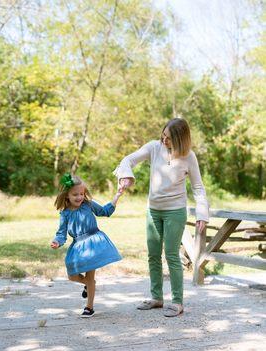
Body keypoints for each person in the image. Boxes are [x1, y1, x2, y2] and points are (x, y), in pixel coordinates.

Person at [114, 117, 209, 317]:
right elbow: (128, 160)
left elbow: (198, 187)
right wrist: (126, 175)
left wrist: (202, 213)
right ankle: (156, 297)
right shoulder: (154, 147)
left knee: (172, 254)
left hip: (175, 211)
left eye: (169, 138)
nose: (163, 140)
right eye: (163, 135)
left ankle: (177, 301)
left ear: (181, 139)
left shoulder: (189, 157)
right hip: (153, 210)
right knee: (153, 255)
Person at [51, 173, 123, 318]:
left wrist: (117, 196)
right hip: (78, 246)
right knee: (72, 275)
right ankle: (89, 285)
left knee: (90, 277)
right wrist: (57, 241)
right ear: (67, 196)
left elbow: (104, 211)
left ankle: (89, 307)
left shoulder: (88, 205)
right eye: (75, 194)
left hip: (94, 243)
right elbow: (61, 233)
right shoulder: (65, 214)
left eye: (82, 194)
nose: (79, 197)